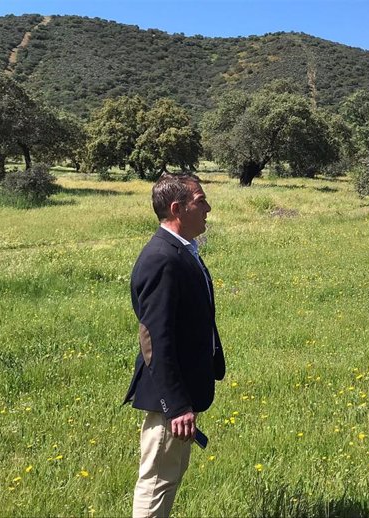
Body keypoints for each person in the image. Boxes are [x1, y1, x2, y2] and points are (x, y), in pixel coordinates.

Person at [123, 172, 226, 518]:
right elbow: (155, 337)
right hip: (170, 396)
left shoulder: (182, 250)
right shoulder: (162, 258)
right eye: (201, 202)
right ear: (177, 208)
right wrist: (177, 404)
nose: (208, 208)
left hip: (182, 391)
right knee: (156, 483)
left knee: (168, 477)